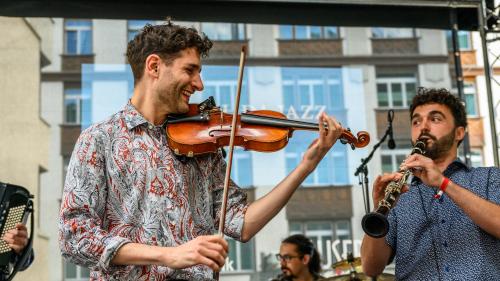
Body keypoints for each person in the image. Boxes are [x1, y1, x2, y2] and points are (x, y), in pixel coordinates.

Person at [58, 20, 343, 280]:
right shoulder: (99, 140)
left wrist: (307, 165)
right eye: (190, 70)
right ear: (154, 66)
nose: (199, 84)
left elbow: (242, 224)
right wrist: (169, 254)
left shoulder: (203, 148)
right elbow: (74, 238)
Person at [360, 87, 500, 280]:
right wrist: (379, 209)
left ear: (459, 133)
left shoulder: (489, 178)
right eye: (416, 121)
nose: (423, 127)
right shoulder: (401, 195)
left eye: (435, 119)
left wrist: (443, 183)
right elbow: (370, 268)